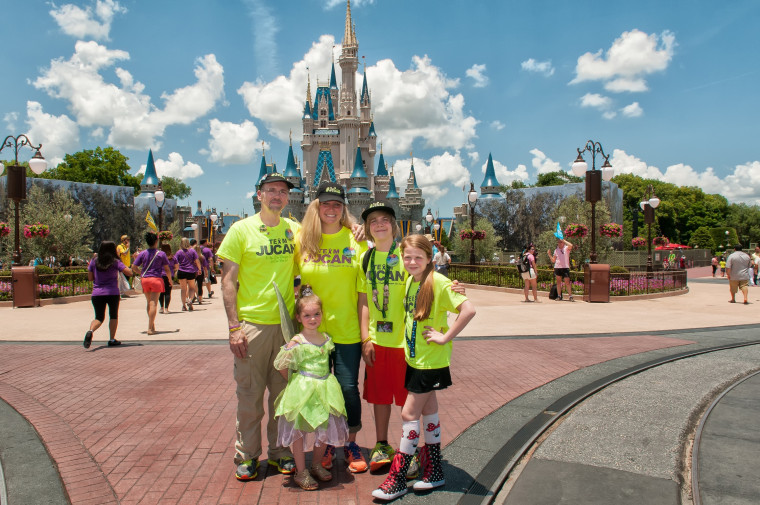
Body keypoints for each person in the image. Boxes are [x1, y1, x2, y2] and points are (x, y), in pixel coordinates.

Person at [358, 202, 464, 475]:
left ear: (394, 225)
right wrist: (365, 338)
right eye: (373, 221)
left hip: (409, 344)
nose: (379, 224)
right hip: (378, 340)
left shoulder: (406, 254)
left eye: (385, 220)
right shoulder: (366, 258)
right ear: (368, 229)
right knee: (379, 397)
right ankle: (382, 445)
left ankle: (415, 452)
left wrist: (454, 285)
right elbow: (365, 300)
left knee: (412, 400)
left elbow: (429, 276)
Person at [372, 235, 476, 501]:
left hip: (430, 361)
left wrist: (445, 336)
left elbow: (468, 310)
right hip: (416, 359)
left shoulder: (439, 282)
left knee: (409, 415)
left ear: (430, 258)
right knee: (429, 413)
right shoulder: (410, 281)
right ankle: (434, 472)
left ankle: (397, 478)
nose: (412, 261)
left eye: (418, 257)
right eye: (407, 257)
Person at [216, 172, 300, 480]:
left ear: (288, 198)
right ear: (259, 195)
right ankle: (248, 455)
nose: (277, 195)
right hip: (252, 326)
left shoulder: (295, 230)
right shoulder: (241, 230)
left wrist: (354, 226)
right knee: (249, 395)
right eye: (271, 190)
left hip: (287, 328)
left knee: (283, 396)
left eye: (282, 191)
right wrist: (234, 327)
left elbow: (324, 236)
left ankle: (280, 452)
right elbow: (228, 281)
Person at [295, 181, 369, 474]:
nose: (331, 209)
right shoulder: (302, 239)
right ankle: (323, 446)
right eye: (325, 203)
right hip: (315, 333)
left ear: (343, 208)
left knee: (349, 388)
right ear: (316, 206)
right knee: (318, 390)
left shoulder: (356, 240)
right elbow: (292, 283)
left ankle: (350, 442)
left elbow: (366, 291)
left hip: (348, 329)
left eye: (337, 204)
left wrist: (366, 337)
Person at [272, 286, 348, 491]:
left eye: (316, 314)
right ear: (298, 317)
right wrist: (295, 382)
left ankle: (316, 464)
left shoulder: (326, 338)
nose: (312, 319)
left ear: (322, 314)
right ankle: (300, 470)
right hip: (303, 389)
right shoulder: (297, 341)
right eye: (307, 315)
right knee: (298, 430)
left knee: (324, 427)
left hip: (324, 388)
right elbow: (282, 365)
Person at [84, 241, 133, 348]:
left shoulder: (94, 261)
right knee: (113, 315)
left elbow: (90, 278)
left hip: (97, 293)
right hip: (112, 293)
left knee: (99, 317)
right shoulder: (115, 261)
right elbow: (129, 273)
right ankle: (111, 339)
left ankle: (90, 331)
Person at [132, 232, 174, 335]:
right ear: (156, 241)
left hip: (145, 279)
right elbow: (167, 269)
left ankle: (152, 325)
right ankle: (150, 328)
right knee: (153, 303)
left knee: (149, 302)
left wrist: (141, 273)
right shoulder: (161, 254)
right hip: (156, 279)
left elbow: (133, 267)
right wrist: (170, 280)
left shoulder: (143, 253)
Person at [175, 237, 202, 311]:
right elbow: (197, 261)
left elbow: (176, 262)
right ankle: (190, 300)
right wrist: (199, 269)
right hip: (190, 271)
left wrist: (177, 269)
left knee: (183, 289)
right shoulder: (192, 251)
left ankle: (183, 305)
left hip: (181, 271)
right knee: (192, 288)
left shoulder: (178, 252)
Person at [159, 244, 178, 314]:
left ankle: (161, 307)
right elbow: (177, 267)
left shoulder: (160, 257)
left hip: (160, 276)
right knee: (168, 292)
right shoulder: (173, 257)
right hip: (169, 275)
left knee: (161, 292)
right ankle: (166, 308)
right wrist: (172, 269)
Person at [190, 239, 207, 305]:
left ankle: (192, 297)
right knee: (200, 286)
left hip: (192, 272)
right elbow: (205, 266)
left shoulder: (191, 256)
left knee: (191, 286)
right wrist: (206, 273)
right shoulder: (202, 257)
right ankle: (200, 299)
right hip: (200, 272)